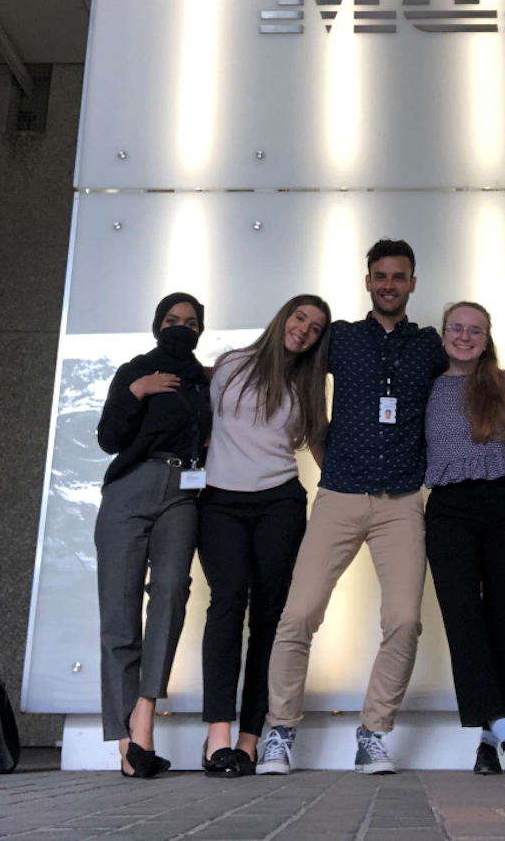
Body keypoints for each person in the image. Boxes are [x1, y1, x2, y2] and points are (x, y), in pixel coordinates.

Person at [256, 239, 446, 775]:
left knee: (405, 621)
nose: (389, 284)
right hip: (340, 494)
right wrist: (325, 454)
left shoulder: (430, 345)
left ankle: (374, 732)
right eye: (380, 275)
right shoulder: (338, 339)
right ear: (368, 282)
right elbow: (297, 386)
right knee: (297, 616)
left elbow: (459, 390)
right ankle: (280, 730)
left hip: (403, 500)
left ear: (413, 283)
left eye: (399, 276)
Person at [198, 295, 331, 777]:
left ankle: (250, 739)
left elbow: (325, 454)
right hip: (219, 503)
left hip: (280, 503)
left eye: (316, 328)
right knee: (227, 601)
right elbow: (196, 419)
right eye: (300, 318)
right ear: (283, 318)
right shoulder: (231, 366)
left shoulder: (307, 388)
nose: (304, 330)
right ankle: (217, 737)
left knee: (270, 619)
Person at [95, 292, 212, 778]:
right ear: (157, 325)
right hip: (132, 486)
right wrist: (137, 391)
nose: (179, 328)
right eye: (171, 320)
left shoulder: (205, 381)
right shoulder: (134, 369)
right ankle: (129, 741)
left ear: (200, 330)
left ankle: (144, 709)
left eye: (189, 322)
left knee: (170, 591)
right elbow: (109, 439)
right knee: (120, 609)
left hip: (184, 492)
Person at [425, 302, 505, 776]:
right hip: (450, 509)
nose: (465, 336)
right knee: (463, 620)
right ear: (444, 332)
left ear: (487, 336)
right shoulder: (428, 387)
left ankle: (489, 745)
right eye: (457, 327)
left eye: (475, 330)